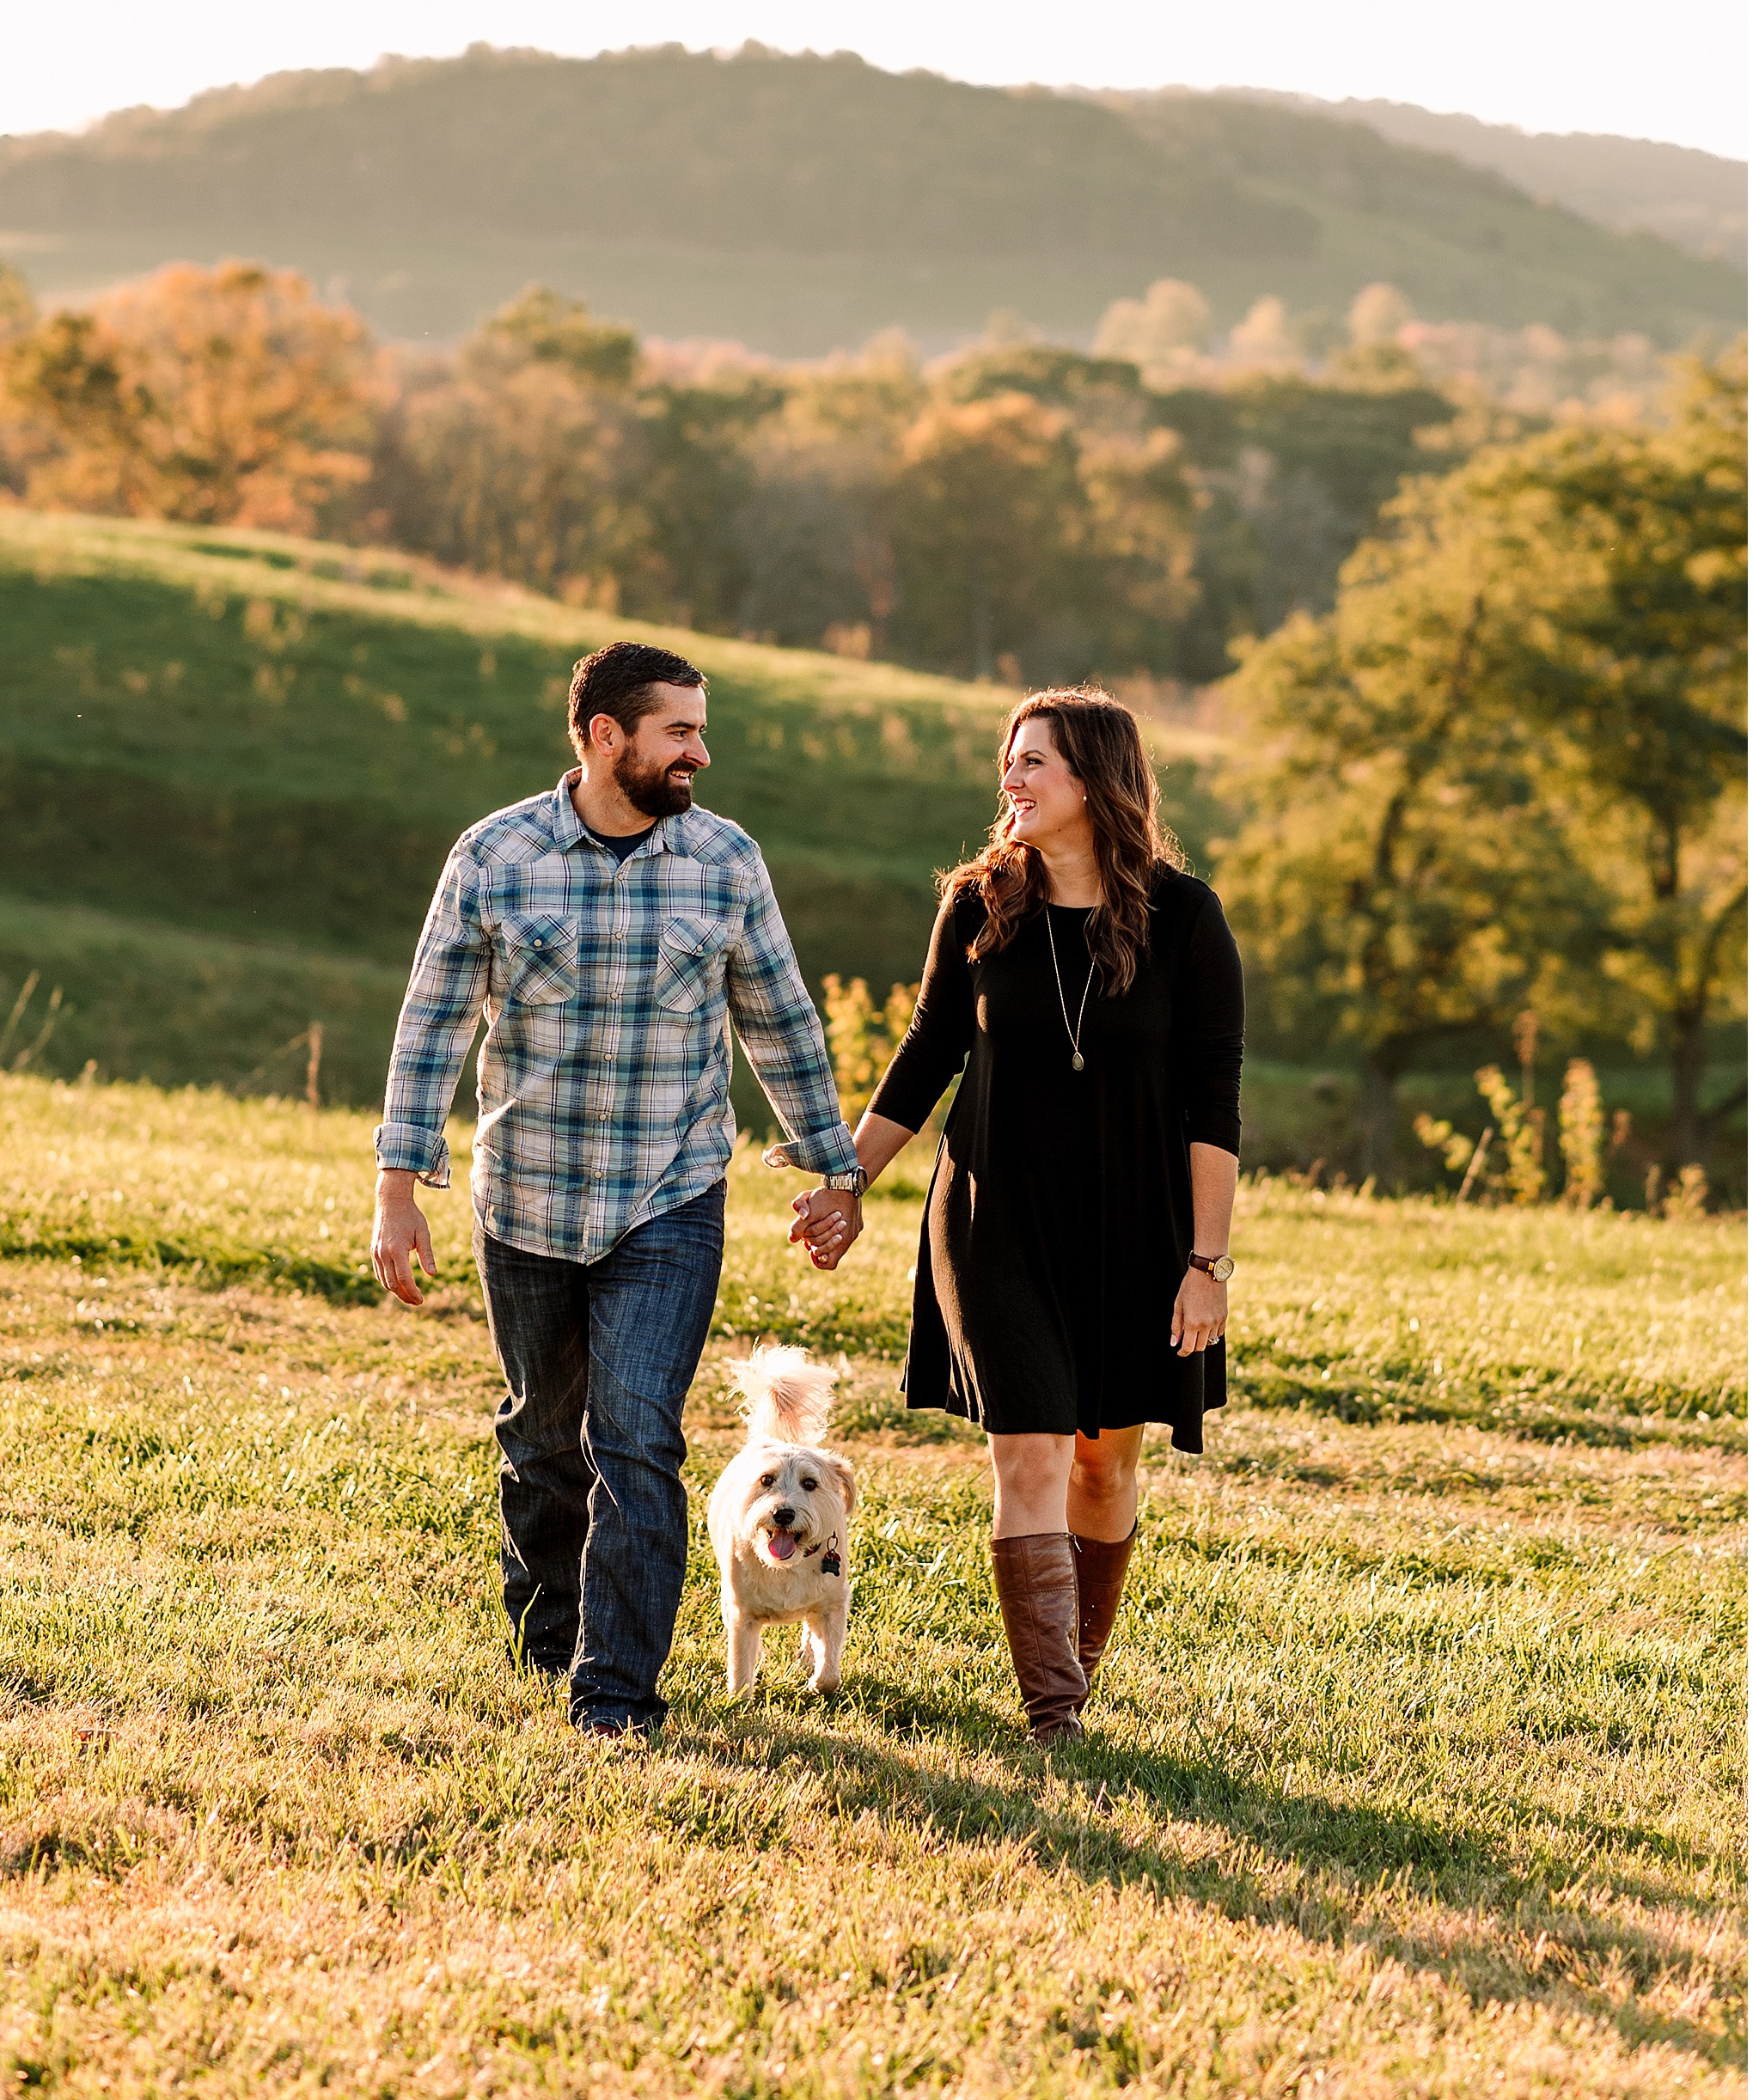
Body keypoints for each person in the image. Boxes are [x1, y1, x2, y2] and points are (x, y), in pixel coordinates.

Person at [372, 639, 865, 1738]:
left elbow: (780, 1022)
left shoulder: (725, 862)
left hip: (670, 1196)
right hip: (528, 1198)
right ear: (606, 736)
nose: (700, 749)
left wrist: (832, 1167)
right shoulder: (495, 857)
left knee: (637, 1435)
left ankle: (615, 1696)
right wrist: (398, 1186)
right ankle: (551, 1644)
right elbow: (431, 1027)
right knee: (546, 1437)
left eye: (699, 727)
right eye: (679, 730)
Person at [791, 685, 1242, 1747]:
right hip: (993, 1215)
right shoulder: (979, 903)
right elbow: (925, 1054)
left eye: (1034, 760)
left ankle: (1072, 1665)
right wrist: (847, 1179)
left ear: (1097, 780)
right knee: (1031, 1449)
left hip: (1137, 1230)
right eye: (1010, 759)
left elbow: (1213, 1099)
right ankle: (1054, 1717)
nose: (1012, 778)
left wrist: (1205, 1261)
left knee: (1102, 1458)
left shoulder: (1186, 917)